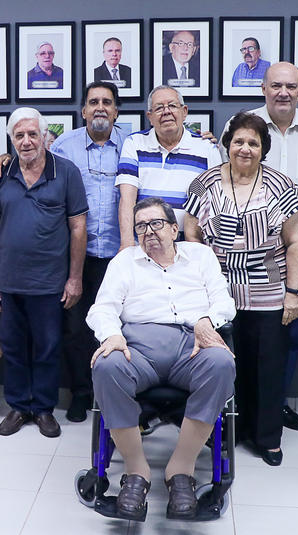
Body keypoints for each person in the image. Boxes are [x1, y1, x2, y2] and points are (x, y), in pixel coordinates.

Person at [87, 197, 235, 521]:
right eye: (141, 226)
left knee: (223, 364)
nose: (148, 231)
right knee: (107, 364)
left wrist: (208, 321)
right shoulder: (125, 261)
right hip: (139, 347)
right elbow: (103, 307)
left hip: (192, 344)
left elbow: (224, 300)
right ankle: (136, 471)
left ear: (173, 228)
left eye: (156, 224)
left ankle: (180, 469)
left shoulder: (200, 256)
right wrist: (112, 334)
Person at [221, 61, 298, 432]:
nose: (283, 92)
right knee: (238, 333)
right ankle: (238, 408)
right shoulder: (241, 125)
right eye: (276, 85)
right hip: (241, 254)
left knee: (289, 333)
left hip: (295, 250)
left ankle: (274, 405)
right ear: (263, 88)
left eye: (291, 86)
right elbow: (220, 178)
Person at [184, 111, 298, 466]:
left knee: (267, 367)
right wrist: (202, 281)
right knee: (221, 367)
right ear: (227, 144)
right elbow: (191, 233)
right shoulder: (204, 184)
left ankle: (266, 438)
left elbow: (295, 240)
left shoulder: (281, 185)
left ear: (263, 148)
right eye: (239, 141)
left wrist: (293, 292)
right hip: (218, 292)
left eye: (253, 142)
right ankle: (226, 434)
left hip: (269, 291)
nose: (245, 148)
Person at [0, 108, 88, 438]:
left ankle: (43, 408)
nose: (26, 141)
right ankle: (18, 406)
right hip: (10, 280)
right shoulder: (0, 174)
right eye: (19, 135)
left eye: (32, 134)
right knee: (12, 346)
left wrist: (75, 278)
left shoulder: (66, 172)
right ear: (11, 139)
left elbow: (78, 227)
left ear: (44, 136)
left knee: (47, 347)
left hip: (50, 281)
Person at [50, 80, 126, 422]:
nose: (100, 107)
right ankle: (81, 394)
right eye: (93, 101)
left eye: (107, 102)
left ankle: (113, 397)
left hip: (120, 255)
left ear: (116, 110)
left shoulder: (131, 144)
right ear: (83, 110)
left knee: (118, 328)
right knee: (75, 329)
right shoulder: (64, 147)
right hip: (76, 256)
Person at [116, 85, 222, 248]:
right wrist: (127, 244)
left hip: (189, 246)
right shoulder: (134, 143)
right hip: (145, 243)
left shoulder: (207, 148)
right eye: (159, 108)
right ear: (150, 117)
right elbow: (127, 198)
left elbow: (215, 205)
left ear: (184, 112)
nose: (166, 111)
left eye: (172, 105)